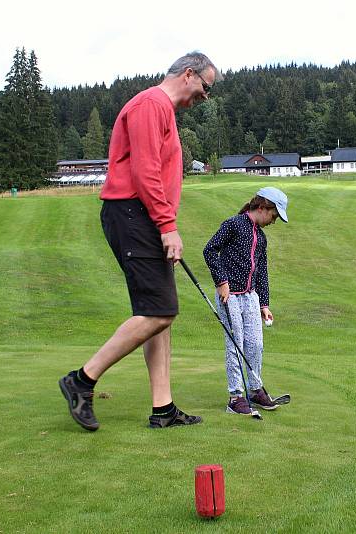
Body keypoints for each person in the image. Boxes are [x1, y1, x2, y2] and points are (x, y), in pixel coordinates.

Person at [59, 52, 222, 431]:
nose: (205, 97)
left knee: (160, 313)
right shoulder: (151, 104)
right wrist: (167, 226)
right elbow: (145, 170)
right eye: (206, 87)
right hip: (133, 213)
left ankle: (162, 409)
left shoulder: (161, 110)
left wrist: (164, 223)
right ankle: (81, 380)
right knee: (159, 311)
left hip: (143, 216)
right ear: (188, 74)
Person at [202, 187, 288, 415]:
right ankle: (235, 397)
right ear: (262, 208)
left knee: (255, 344)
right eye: (274, 215)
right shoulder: (233, 224)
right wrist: (221, 281)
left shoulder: (261, 236)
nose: (273, 221)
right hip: (229, 296)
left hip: (251, 297)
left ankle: (255, 389)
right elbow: (209, 250)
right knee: (235, 345)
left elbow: (262, 271)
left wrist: (264, 304)